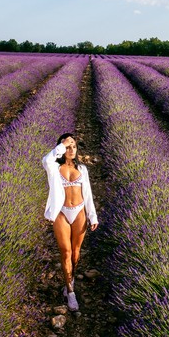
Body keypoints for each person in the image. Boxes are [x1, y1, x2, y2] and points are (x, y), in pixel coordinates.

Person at [42, 133, 98, 311]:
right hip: (62, 213)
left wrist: (93, 216)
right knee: (65, 252)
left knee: (75, 253)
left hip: (79, 212)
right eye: (67, 146)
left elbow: (87, 194)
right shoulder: (54, 168)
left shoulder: (82, 170)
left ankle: (70, 279)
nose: (71, 149)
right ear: (61, 149)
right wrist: (61, 145)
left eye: (73, 146)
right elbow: (46, 160)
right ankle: (71, 291)